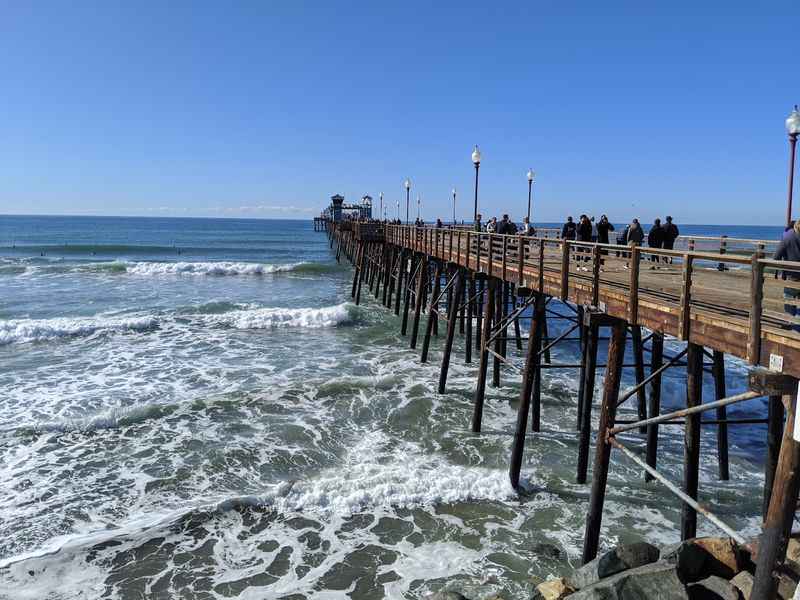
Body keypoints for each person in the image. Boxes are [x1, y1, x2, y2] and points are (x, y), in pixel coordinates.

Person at [774, 220, 800, 332]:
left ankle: (794, 329)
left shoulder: (787, 237)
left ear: (794, 226)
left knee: (789, 303)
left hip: (791, 276)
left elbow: (776, 257)